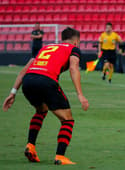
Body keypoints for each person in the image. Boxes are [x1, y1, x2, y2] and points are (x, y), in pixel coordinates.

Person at [2, 27, 89, 165]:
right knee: (67, 120)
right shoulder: (73, 48)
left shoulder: (46, 47)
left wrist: (12, 93)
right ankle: (60, 156)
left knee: (41, 110)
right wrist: (80, 95)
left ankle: (30, 146)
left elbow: (24, 70)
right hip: (46, 81)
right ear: (77, 41)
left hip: (28, 81)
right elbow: (74, 68)